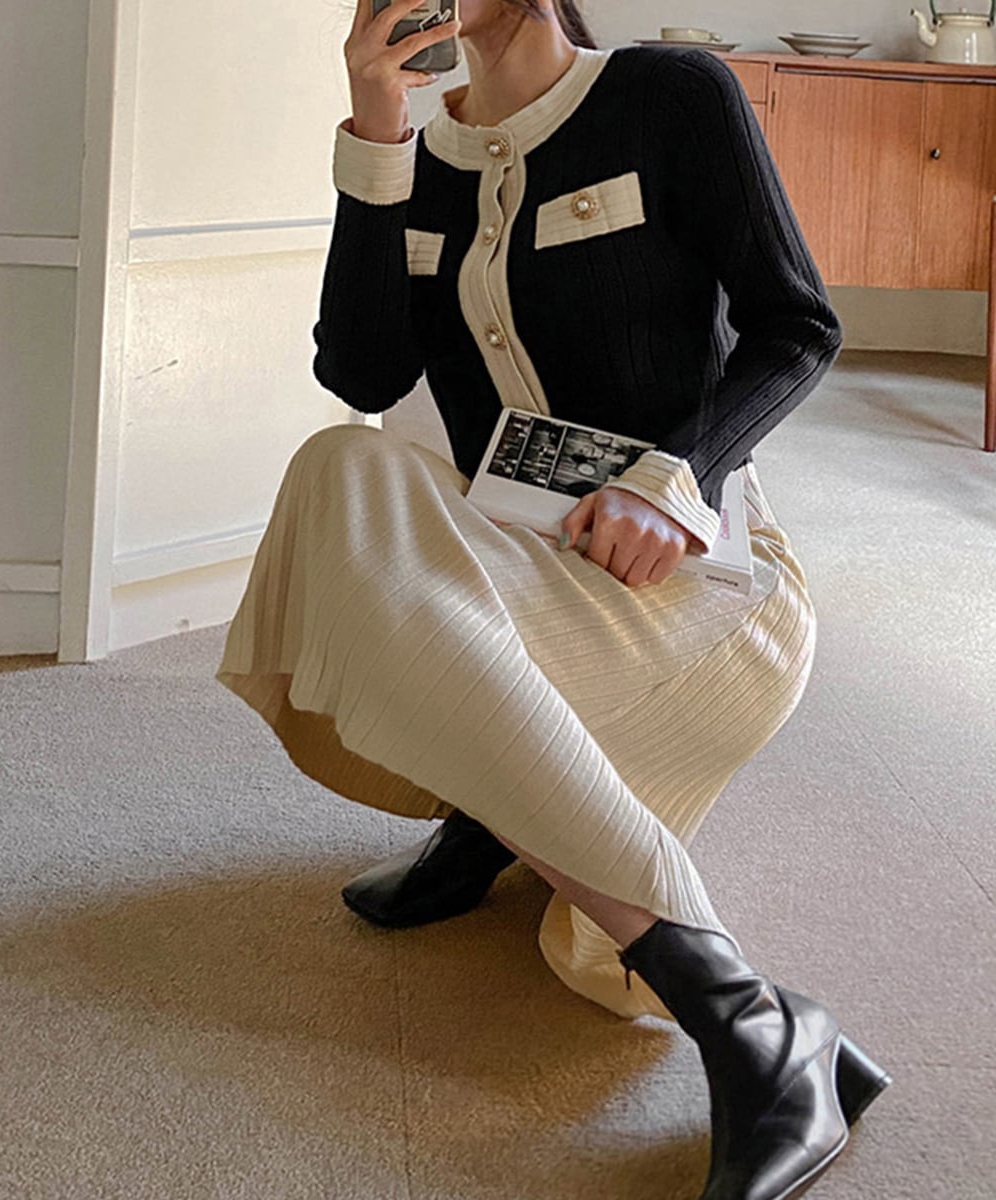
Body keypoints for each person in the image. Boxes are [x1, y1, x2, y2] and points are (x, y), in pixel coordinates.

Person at [216, 2, 892, 1196]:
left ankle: (744, 1019)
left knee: (408, 565)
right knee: (340, 469)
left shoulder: (669, 98)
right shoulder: (419, 156)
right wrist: (377, 128)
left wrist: (670, 480)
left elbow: (798, 327)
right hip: (518, 563)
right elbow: (361, 372)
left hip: (694, 578)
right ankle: (501, 814)